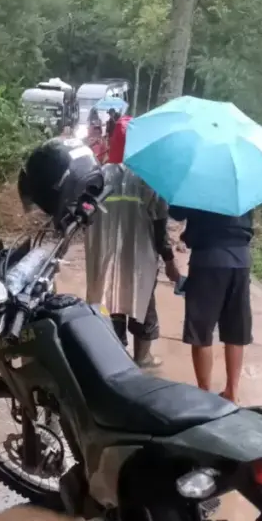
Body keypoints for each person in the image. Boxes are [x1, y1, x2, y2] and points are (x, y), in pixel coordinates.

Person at [85, 162, 179, 368]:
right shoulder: (152, 179)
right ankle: (143, 357)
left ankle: (114, 356)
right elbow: (160, 228)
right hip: (139, 258)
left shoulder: (97, 175)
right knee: (142, 303)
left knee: (109, 302)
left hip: (104, 255)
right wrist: (170, 261)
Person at [167, 206, 253, 401]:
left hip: (208, 259)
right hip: (241, 260)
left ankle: (205, 395)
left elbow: (176, 212)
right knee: (235, 329)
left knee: (201, 330)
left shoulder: (199, 188)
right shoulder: (241, 190)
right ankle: (232, 392)